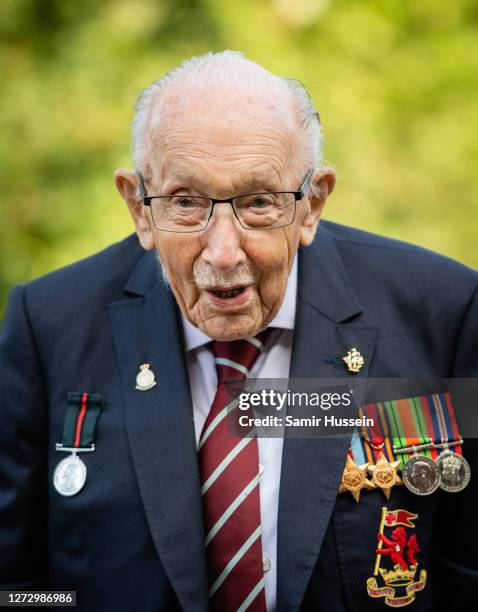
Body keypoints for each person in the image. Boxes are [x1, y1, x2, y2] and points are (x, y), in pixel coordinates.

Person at [0, 50, 477, 612]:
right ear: (137, 207)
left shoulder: (442, 313)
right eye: (185, 202)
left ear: (312, 203)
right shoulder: (50, 322)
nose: (223, 253)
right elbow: (18, 587)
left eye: (257, 203)